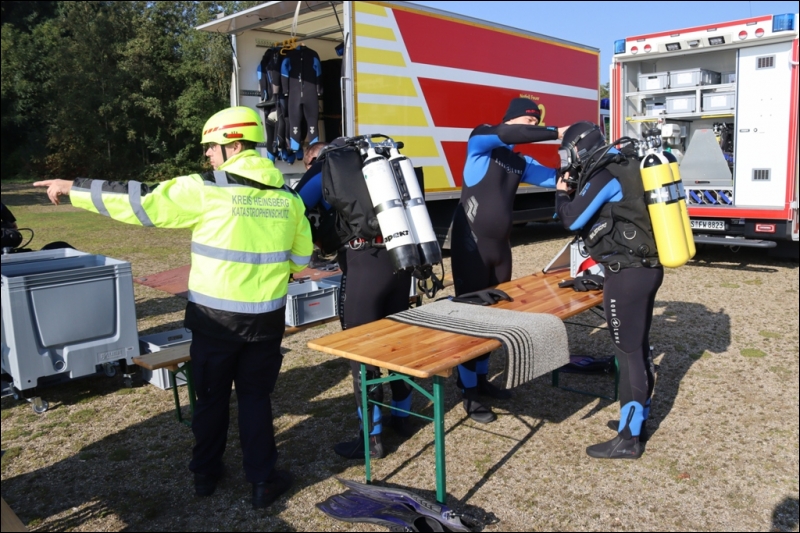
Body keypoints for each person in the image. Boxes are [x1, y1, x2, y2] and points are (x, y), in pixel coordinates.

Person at [34, 106, 314, 506]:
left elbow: (140, 201)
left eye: (211, 147)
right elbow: (300, 259)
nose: (207, 156)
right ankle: (262, 482)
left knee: (212, 397)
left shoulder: (207, 188)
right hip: (265, 320)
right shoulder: (287, 197)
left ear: (233, 144)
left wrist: (73, 186)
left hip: (214, 320)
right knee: (255, 400)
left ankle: (206, 475)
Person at [294, 140, 414, 460]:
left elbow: (292, 205)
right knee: (396, 342)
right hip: (400, 260)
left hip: (363, 266)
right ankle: (403, 417)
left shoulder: (325, 169)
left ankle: (371, 439)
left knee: (361, 352)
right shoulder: (376, 166)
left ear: (314, 159)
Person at [450, 97, 567, 424]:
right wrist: (556, 131)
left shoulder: (520, 162)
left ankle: (483, 380)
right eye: (529, 125)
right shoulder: (480, 143)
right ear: (512, 121)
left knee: (497, 316)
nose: (533, 132)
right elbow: (508, 134)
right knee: (470, 318)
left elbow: (556, 179)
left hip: (501, 248)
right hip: (470, 244)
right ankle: (468, 391)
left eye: (536, 126)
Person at [554, 121, 663, 459]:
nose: (567, 161)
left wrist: (561, 191)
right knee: (638, 348)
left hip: (626, 273)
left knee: (628, 354)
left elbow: (571, 219)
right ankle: (635, 423)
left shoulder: (605, 174)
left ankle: (628, 439)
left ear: (579, 148)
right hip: (646, 269)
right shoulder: (627, 164)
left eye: (567, 153)